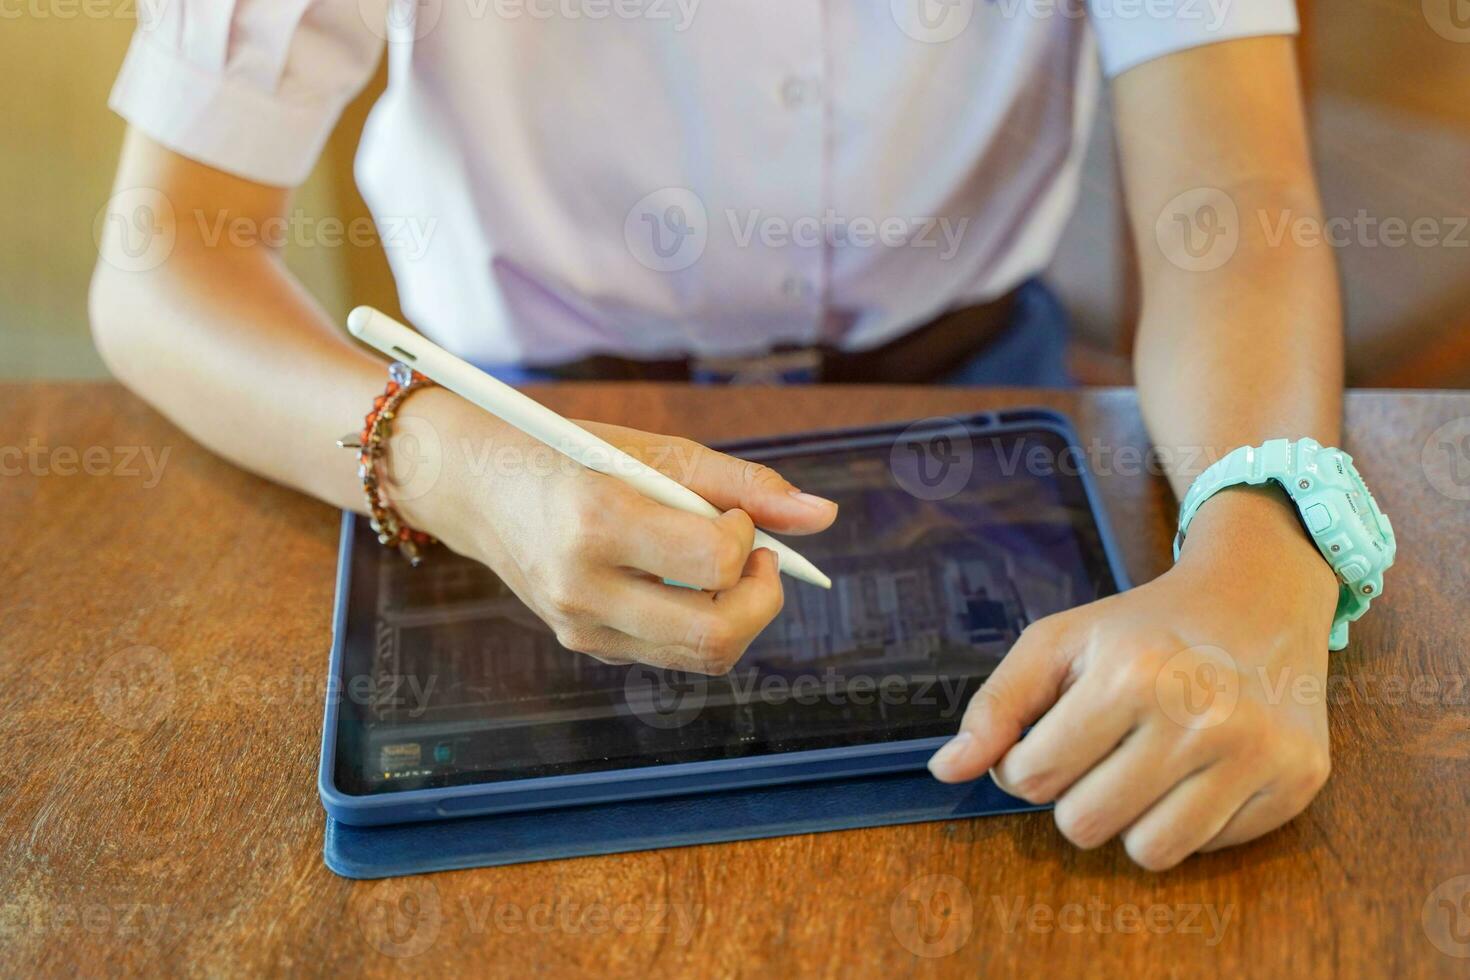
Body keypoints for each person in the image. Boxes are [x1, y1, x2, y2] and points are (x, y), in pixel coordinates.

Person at [92, 1, 1350, 870]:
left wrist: (1264, 558)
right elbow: (162, 267)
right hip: (516, 430)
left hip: (975, 407)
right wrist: (452, 467)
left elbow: (1232, 204)